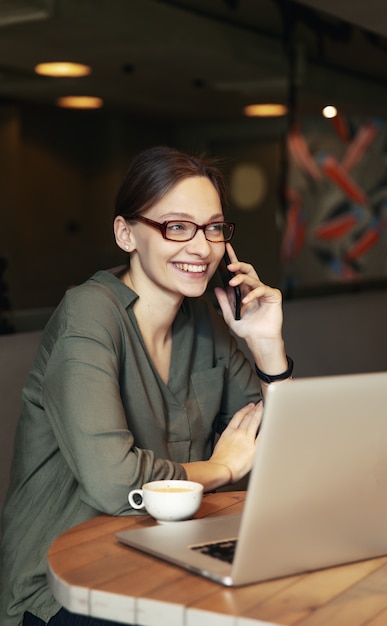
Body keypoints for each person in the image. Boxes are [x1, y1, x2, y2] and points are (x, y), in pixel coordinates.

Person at [0, 146, 292, 626]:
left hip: (167, 557)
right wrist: (219, 469)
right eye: (177, 227)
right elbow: (114, 483)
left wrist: (267, 348)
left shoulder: (205, 322)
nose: (202, 247)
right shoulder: (89, 315)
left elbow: (287, 449)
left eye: (213, 228)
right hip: (67, 586)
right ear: (126, 233)